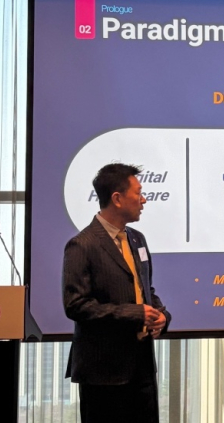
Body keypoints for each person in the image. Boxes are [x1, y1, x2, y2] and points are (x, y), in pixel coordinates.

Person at [63, 162, 171, 423]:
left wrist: (161, 315)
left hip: (142, 367)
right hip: (104, 372)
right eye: (138, 193)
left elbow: (145, 290)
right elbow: (75, 305)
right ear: (117, 199)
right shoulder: (82, 245)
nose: (144, 200)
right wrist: (134, 314)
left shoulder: (137, 239)